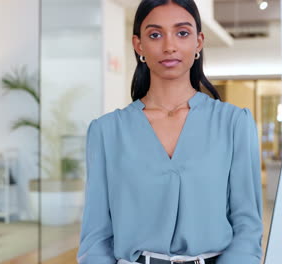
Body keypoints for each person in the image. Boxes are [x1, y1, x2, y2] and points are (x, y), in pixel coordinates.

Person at [77, 0, 263, 263]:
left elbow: (248, 227)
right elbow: (95, 236)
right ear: (138, 45)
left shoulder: (233, 123)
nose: (169, 46)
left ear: (198, 42)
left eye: (182, 33)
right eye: (155, 35)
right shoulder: (107, 131)